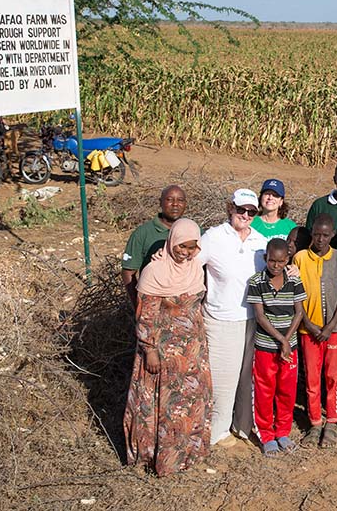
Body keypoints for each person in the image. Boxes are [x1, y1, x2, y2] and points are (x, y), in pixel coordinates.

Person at [124, 218, 212, 477]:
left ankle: (189, 455)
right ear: (171, 241)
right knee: (166, 405)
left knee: (190, 405)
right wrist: (149, 349)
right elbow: (145, 316)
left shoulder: (195, 268)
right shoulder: (155, 272)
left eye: (191, 247)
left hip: (192, 350)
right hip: (163, 352)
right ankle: (161, 459)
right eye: (181, 246)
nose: (185, 253)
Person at [198, 188, 268, 446]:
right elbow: (193, 266)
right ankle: (218, 430)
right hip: (221, 318)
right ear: (230, 208)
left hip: (253, 318)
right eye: (241, 210)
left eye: (251, 211)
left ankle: (242, 425)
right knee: (223, 377)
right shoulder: (214, 237)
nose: (246, 215)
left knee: (247, 377)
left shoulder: (259, 242)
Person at [296, 214, 337, 448]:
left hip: (334, 330)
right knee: (311, 377)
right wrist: (308, 323)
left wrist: (330, 326)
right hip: (307, 330)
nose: (320, 239)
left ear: (332, 235)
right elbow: (296, 294)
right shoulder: (300, 258)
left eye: (325, 235)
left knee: (332, 377)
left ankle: (331, 421)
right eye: (317, 234)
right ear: (312, 233)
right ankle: (314, 422)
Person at [248, 238, 306, 457]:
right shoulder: (256, 282)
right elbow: (260, 316)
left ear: (287, 260)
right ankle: (266, 434)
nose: (276, 265)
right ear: (265, 259)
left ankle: (282, 432)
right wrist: (281, 341)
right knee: (264, 390)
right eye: (272, 261)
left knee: (286, 390)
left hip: (289, 348)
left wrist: (287, 340)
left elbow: (299, 312)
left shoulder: (294, 281)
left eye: (281, 261)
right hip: (266, 346)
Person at [122, 185, 187, 305]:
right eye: (169, 199)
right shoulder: (143, 233)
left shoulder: (193, 231)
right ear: (160, 203)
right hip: (153, 304)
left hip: (185, 304)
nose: (175, 204)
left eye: (180, 200)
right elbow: (128, 271)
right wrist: (138, 304)